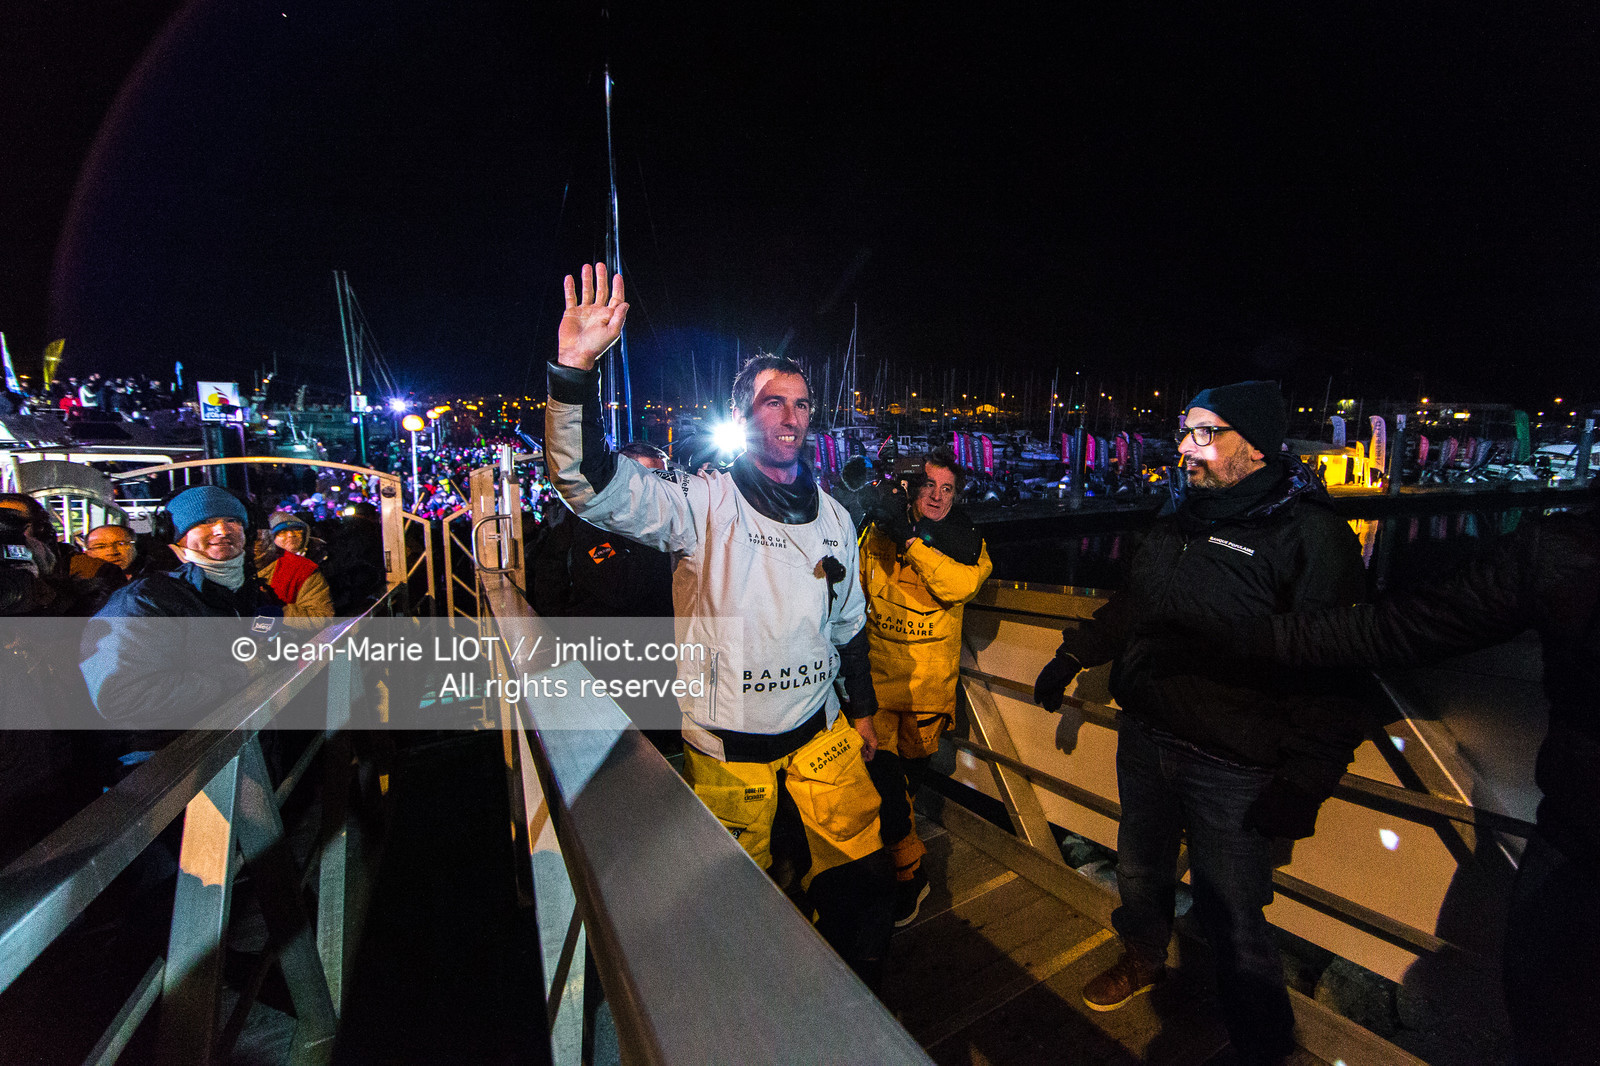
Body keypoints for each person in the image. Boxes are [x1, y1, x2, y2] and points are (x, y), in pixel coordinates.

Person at [544, 263, 893, 987]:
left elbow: (850, 624)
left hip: (822, 734)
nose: (791, 416)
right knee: (739, 900)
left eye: (800, 403)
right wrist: (575, 370)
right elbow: (586, 481)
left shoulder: (834, 516)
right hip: (728, 746)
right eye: (772, 402)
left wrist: (862, 713)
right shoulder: (698, 504)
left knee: (860, 881)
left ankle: (859, 989)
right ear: (744, 416)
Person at [1192, 485, 1598, 1065]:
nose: (1186, 446)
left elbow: (1395, 628)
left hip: (1574, 833)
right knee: (1546, 1012)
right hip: (1575, 828)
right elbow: (1400, 625)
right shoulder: (1567, 549)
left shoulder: (1566, 549)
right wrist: (1254, 636)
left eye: (1205, 432)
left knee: (1552, 1007)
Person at [1032, 380, 1368, 1066]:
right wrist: (1073, 654)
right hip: (1148, 733)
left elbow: (1339, 665)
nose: (1184, 447)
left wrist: (1306, 777)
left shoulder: (1309, 534)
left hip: (1234, 764)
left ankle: (1261, 1045)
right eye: (1185, 430)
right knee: (1138, 871)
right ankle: (1144, 959)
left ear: (1254, 444)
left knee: (1235, 914)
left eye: (1205, 434)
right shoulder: (1179, 515)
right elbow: (1139, 604)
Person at [859, 448, 992, 925]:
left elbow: (960, 585)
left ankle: (903, 871)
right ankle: (908, 872)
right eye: (928, 486)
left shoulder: (966, 542)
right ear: (912, 491)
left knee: (904, 790)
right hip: (875, 691)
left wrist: (911, 542)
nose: (936, 496)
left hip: (924, 692)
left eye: (947, 489)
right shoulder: (877, 533)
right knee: (887, 787)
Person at [80, 485, 283, 731]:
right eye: (205, 522)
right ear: (174, 535)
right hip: (177, 754)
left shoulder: (252, 591)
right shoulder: (145, 601)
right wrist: (241, 673)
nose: (222, 530)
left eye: (232, 520)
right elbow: (123, 699)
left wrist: (278, 645)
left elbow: (264, 638)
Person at [255, 511, 334, 628]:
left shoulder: (316, 561)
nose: (291, 535)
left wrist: (278, 610)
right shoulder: (256, 563)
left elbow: (322, 617)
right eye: (282, 532)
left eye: (297, 530)